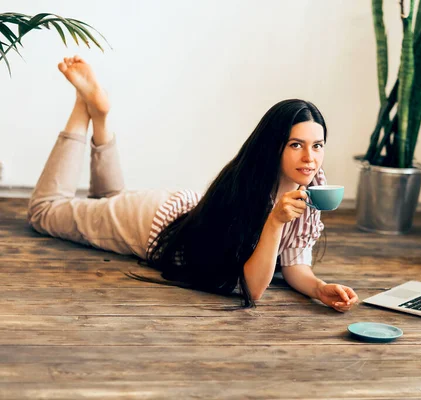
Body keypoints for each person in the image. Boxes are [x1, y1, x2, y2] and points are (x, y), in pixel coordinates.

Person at [27, 56, 359, 311]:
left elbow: (294, 261)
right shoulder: (248, 189)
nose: (310, 158)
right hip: (150, 225)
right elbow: (253, 289)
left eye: (318, 146)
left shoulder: (310, 188)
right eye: (296, 145)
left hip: (178, 209)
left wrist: (318, 288)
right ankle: (82, 107)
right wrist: (274, 221)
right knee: (45, 211)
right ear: (274, 147)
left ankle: (100, 117)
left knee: (107, 199)